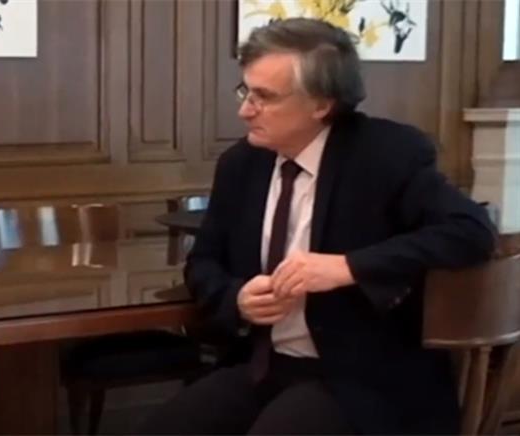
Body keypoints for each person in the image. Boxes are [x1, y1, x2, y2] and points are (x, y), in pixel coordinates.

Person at [139, 18, 496, 434]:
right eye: (245, 91)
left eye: (264, 97)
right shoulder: (241, 165)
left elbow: (471, 231)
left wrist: (347, 266)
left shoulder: (386, 153)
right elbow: (203, 262)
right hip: (262, 363)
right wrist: (237, 299)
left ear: (321, 104)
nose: (244, 110)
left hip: (362, 378)